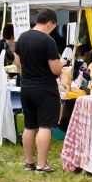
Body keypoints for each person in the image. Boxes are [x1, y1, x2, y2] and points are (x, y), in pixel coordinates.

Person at [14, 10, 63, 173]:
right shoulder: (47, 40)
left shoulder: (23, 37)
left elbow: (17, 62)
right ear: (50, 23)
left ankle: (29, 162)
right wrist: (62, 63)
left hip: (26, 86)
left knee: (29, 126)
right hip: (45, 88)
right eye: (54, 26)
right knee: (45, 126)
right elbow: (55, 70)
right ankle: (42, 164)